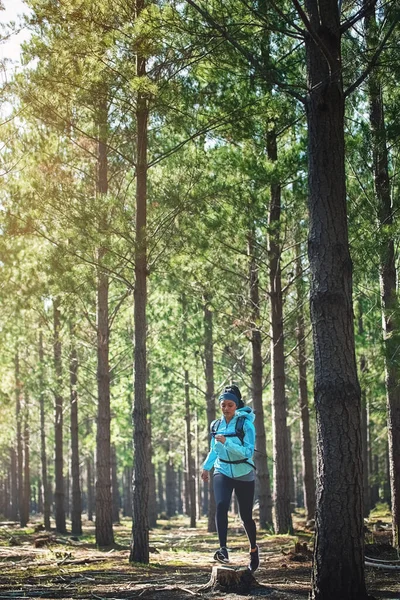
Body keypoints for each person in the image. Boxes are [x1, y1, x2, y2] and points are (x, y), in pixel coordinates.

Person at [201, 384, 259, 572]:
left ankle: (253, 549)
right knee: (221, 505)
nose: (225, 408)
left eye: (230, 405)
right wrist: (206, 467)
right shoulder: (216, 425)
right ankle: (223, 550)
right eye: (223, 405)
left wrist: (228, 442)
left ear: (237, 406)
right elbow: (213, 449)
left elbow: (248, 452)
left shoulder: (245, 424)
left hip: (244, 472)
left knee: (246, 517)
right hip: (223, 470)